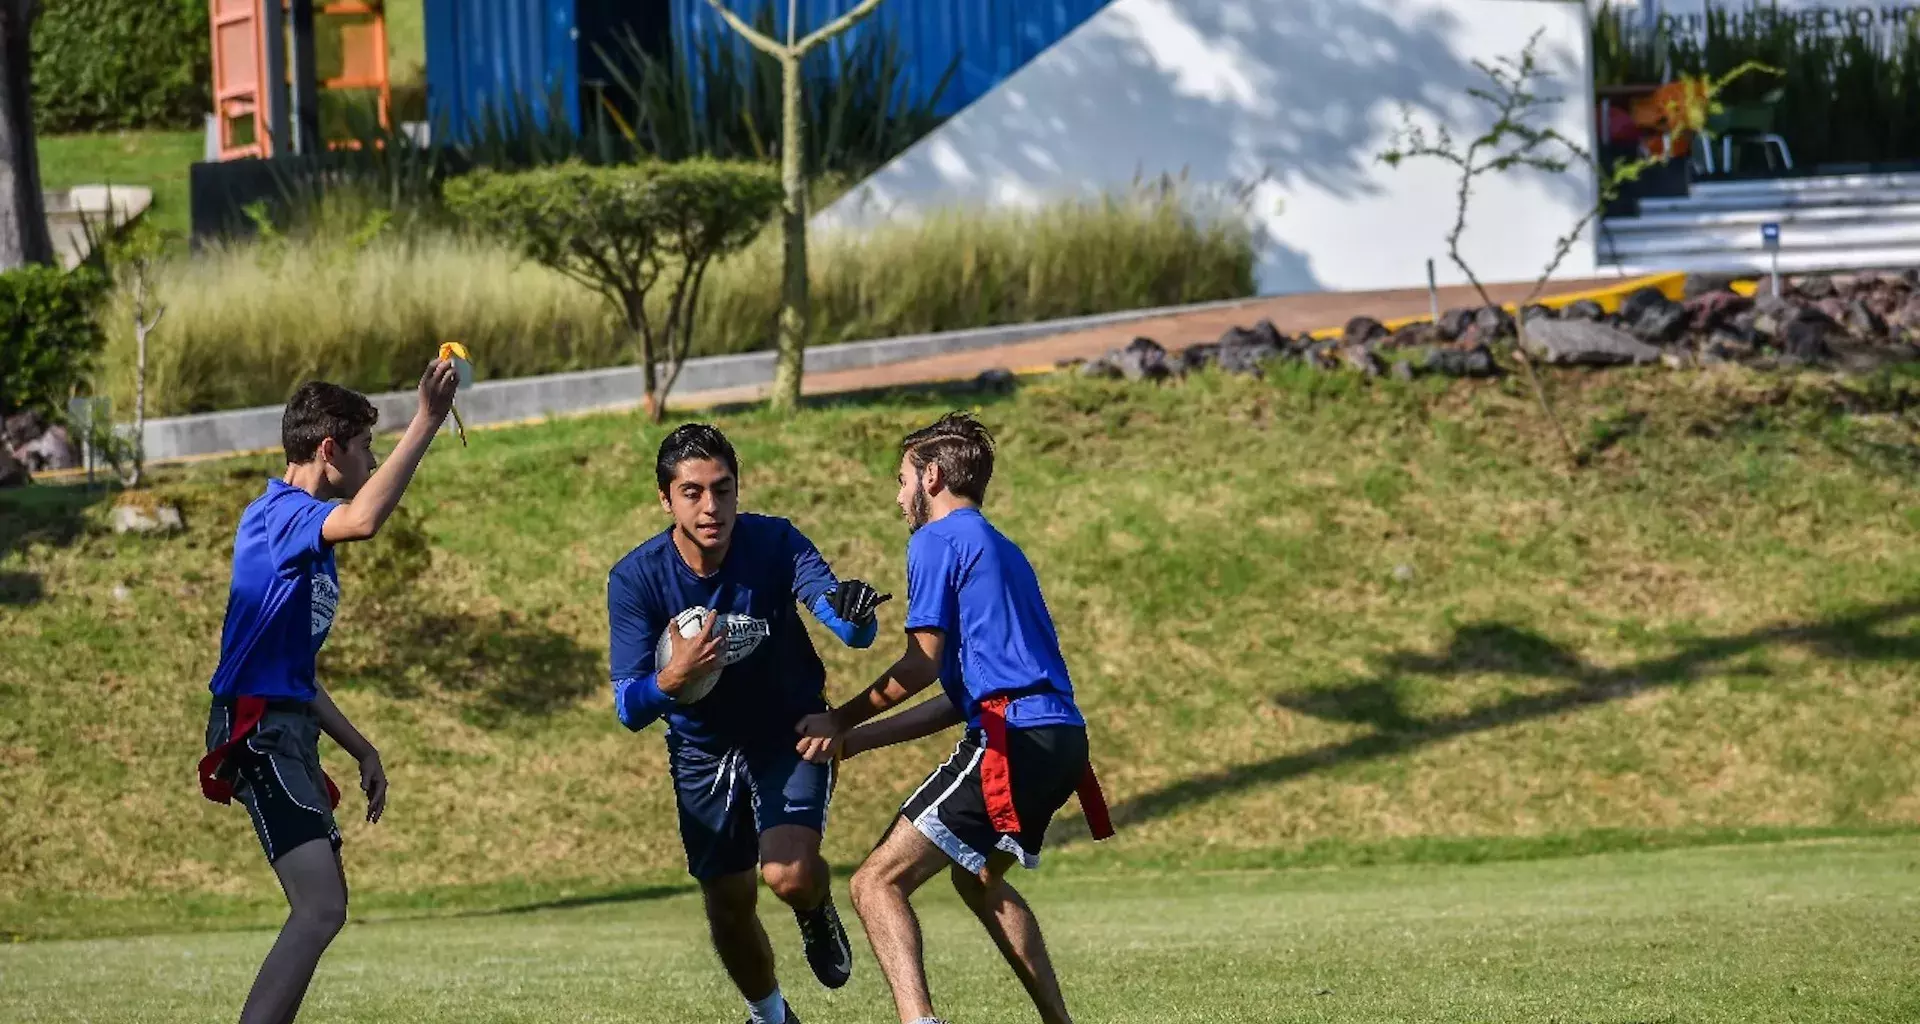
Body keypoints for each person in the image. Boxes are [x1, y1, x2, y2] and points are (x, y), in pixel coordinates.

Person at [796, 411, 1114, 1024]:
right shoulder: (1002, 548)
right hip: (1062, 739)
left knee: (874, 884)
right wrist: (855, 742)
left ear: (932, 476)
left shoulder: (935, 541)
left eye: (901, 479)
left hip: (1012, 737)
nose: (898, 496)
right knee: (977, 879)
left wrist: (837, 718)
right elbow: (955, 696)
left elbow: (920, 665)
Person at [197, 361, 461, 1024]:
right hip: (258, 731)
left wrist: (361, 748)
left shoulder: (306, 535)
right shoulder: (278, 516)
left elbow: (298, 674)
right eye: (365, 447)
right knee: (320, 907)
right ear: (327, 449)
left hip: (288, 728)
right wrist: (425, 420)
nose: (370, 461)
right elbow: (368, 518)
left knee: (324, 907)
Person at [606, 423, 893, 1024]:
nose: (711, 506)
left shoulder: (775, 542)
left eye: (723, 489)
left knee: (787, 874)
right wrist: (673, 679)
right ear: (665, 499)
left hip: (789, 733)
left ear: (738, 489)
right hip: (700, 750)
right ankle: (770, 1017)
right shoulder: (636, 577)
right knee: (730, 904)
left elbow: (841, 620)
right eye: (692, 492)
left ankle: (815, 911)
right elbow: (630, 706)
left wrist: (855, 617)